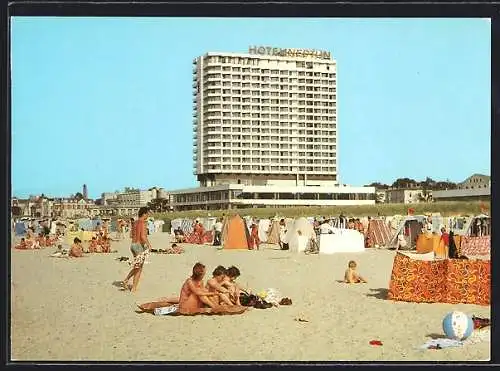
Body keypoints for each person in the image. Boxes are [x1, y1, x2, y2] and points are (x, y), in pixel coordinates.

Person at [122, 207, 152, 292]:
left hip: (133, 245)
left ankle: (128, 282)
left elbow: (131, 235)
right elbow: (143, 236)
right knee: (139, 268)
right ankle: (132, 286)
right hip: (139, 246)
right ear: (144, 213)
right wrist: (149, 245)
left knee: (137, 266)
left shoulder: (134, 222)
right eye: (148, 214)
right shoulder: (143, 222)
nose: (148, 215)